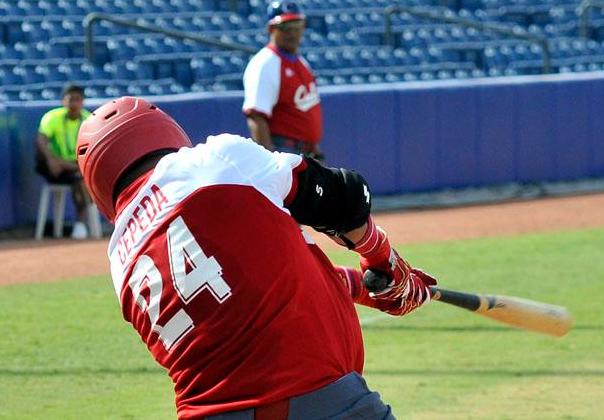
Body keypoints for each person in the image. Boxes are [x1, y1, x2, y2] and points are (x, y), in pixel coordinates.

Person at [76, 96, 437, 419]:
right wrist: (384, 262)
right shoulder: (212, 161)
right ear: (162, 131)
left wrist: (363, 287)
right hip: (317, 400)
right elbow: (346, 199)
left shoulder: (120, 261)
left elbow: (244, 294)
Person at [242, 0, 324, 161]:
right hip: (284, 152)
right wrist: (269, 163)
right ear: (271, 29)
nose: (292, 33)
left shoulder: (300, 62)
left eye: (297, 25)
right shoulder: (265, 63)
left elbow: (305, 113)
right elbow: (256, 118)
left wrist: (314, 148)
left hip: (306, 152)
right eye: (286, 27)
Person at [35, 84, 92, 239]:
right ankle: (80, 224)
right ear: (63, 101)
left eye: (77, 99)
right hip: (53, 168)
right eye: (70, 99)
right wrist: (52, 160)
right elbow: (41, 141)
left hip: (77, 168)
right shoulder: (52, 117)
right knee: (77, 176)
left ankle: (80, 224)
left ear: (83, 102)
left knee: (81, 179)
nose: (74, 103)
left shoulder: (89, 120)